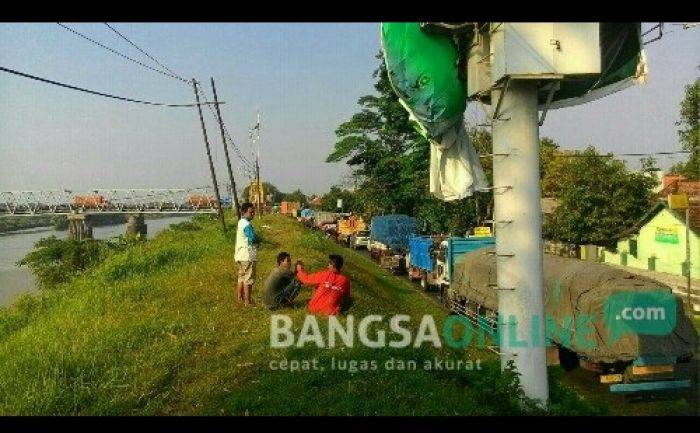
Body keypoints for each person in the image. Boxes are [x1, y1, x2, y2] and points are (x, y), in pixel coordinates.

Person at [235, 202, 259, 306]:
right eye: (251, 212)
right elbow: (252, 239)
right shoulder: (247, 225)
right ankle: (247, 302)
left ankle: (240, 298)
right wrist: (258, 240)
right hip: (248, 254)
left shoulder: (240, 222)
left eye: (253, 211)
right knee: (248, 279)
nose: (253, 214)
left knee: (241, 277)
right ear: (243, 212)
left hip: (239, 255)